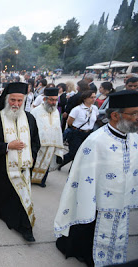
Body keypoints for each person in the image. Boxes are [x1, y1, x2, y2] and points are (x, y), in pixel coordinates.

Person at [54, 90, 138, 266]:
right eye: (134, 113)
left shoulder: (134, 138)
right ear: (115, 115)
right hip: (99, 204)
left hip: (121, 202)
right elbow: (83, 177)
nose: (137, 117)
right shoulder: (96, 141)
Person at [0, 82, 40, 242]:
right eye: (13, 100)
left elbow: (36, 141)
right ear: (6, 100)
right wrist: (7, 146)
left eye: (20, 101)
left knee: (19, 199)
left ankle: (24, 227)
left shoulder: (30, 119)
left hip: (23, 168)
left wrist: (32, 154)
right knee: (5, 195)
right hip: (2, 168)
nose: (16, 104)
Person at [30, 88, 64, 187]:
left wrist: (59, 148)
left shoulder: (56, 112)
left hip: (52, 143)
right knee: (35, 162)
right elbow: (31, 128)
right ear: (45, 99)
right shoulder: (35, 111)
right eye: (51, 100)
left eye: (55, 100)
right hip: (38, 143)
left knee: (46, 163)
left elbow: (58, 129)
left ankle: (41, 181)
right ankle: (30, 179)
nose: (54, 102)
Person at [58, 90, 99, 171]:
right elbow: (69, 122)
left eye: (95, 97)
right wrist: (76, 129)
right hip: (76, 133)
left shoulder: (94, 108)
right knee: (74, 152)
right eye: (91, 97)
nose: (94, 99)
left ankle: (73, 169)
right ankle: (60, 162)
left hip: (88, 133)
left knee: (82, 153)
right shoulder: (77, 109)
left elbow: (95, 118)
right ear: (85, 98)